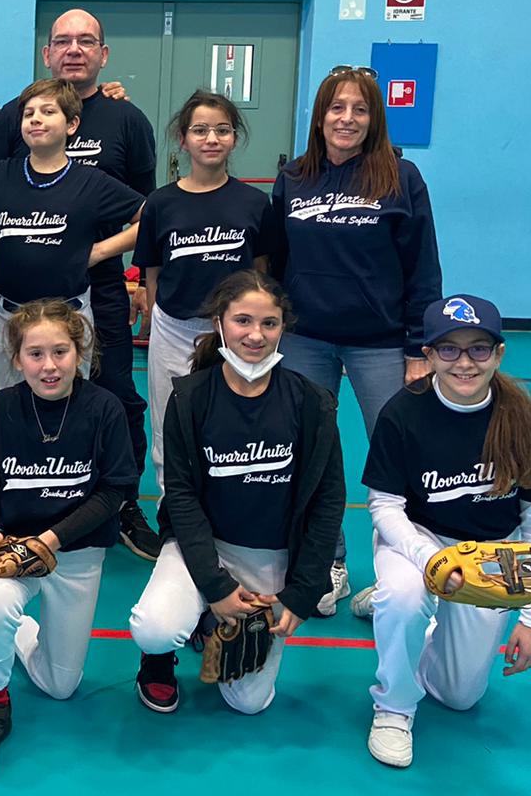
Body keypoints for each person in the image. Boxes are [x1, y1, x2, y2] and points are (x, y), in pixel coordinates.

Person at [350, 295, 531, 768]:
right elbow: (385, 505)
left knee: (458, 695)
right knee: (404, 596)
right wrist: (431, 560)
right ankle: (393, 707)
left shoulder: (525, 421)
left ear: (499, 354)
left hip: (490, 556)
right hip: (417, 539)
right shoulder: (403, 413)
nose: (464, 362)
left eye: (478, 349)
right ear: (428, 354)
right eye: (449, 349)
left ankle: (406, 615)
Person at [262, 64, 442, 615]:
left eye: (359, 109)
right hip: (305, 340)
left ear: (374, 119)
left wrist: (418, 348)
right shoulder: (294, 178)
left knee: (396, 459)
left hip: (381, 344)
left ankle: (400, 576)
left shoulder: (401, 178)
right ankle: (328, 564)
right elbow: (275, 263)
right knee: (310, 455)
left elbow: (423, 266)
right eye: (336, 108)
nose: (347, 119)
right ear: (319, 117)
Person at [0, 9, 160, 559]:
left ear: (103, 54)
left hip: (97, 287)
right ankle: (13, 509)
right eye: (62, 41)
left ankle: (117, 505)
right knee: (17, 398)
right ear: (47, 53)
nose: (74, 49)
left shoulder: (126, 119)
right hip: (21, 290)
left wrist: (123, 268)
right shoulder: (18, 114)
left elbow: (149, 209)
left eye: (86, 41)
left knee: (116, 397)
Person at [127, 271, 344, 715]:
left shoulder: (312, 402)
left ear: (283, 328)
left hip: (270, 554)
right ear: (219, 324)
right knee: (154, 626)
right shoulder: (190, 398)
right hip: (202, 545)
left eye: (269, 323)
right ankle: (160, 655)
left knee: (249, 702)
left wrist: (302, 592)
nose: (256, 335)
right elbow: (181, 498)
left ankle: (209, 623)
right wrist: (215, 584)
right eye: (243, 320)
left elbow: (328, 502)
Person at [0, 299, 135, 777]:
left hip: (77, 553)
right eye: (35, 354)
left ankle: (3, 627)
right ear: (17, 359)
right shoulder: (0, 409)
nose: (49, 365)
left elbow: (114, 489)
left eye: (60, 352)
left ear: (79, 352)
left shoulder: (104, 409)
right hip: (14, 550)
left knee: (60, 686)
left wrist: (51, 539)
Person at [0, 78, 141, 397]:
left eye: (48, 111)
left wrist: (100, 251)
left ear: (72, 124)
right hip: (9, 315)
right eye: (29, 113)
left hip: (69, 316)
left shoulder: (91, 182)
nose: (36, 119)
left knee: (66, 406)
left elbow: (150, 216)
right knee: (6, 405)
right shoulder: (0, 175)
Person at [135, 91, 269, 492]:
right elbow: (153, 272)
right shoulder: (161, 203)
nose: (211, 138)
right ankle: (172, 508)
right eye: (200, 130)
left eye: (222, 130)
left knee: (233, 423)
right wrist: (158, 316)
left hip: (236, 333)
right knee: (170, 423)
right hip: (174, 328)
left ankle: (229, 506)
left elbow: (261, 273)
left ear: (234, 138)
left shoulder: (254, 203)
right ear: (183, 139)